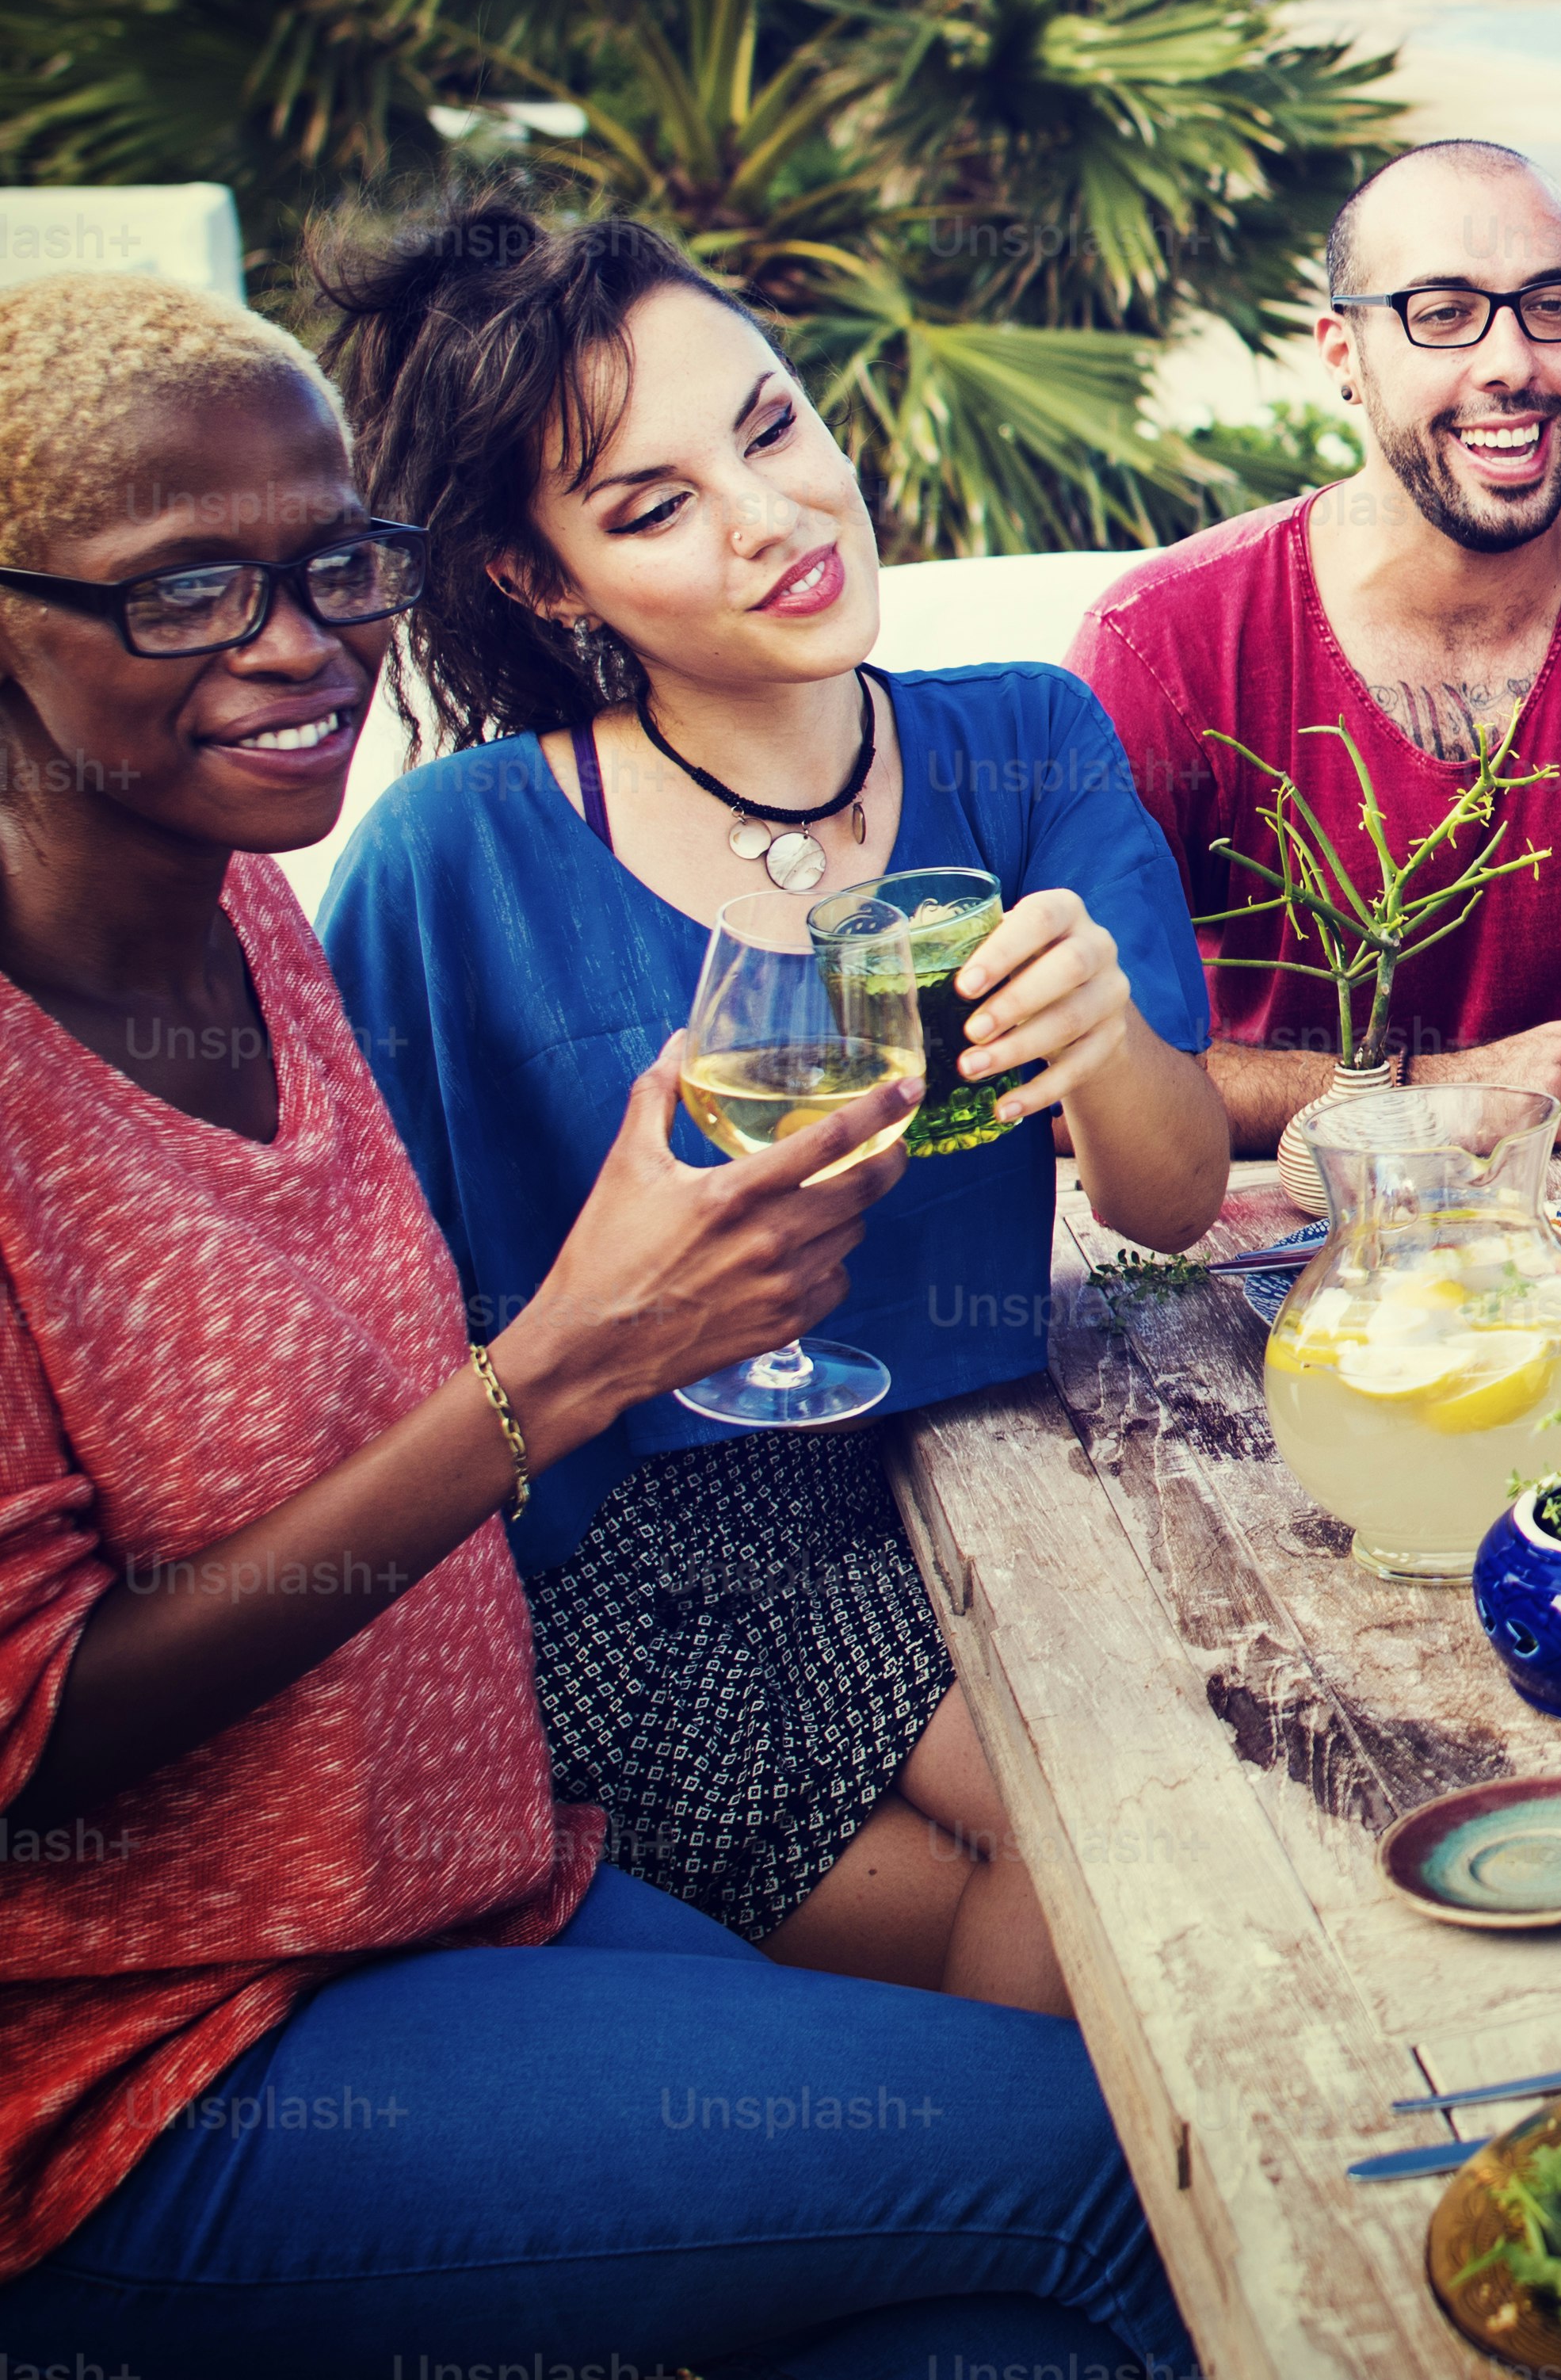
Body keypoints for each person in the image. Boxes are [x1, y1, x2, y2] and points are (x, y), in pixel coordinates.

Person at [0, 272, 1188, 2377]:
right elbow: (50, 1715)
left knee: (1033, 2252)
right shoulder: (412, 868)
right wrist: (583, 1353)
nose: (299, 646)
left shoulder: (243, 907)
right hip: (180, 2034)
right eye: (185, 588)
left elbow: (1164, 1177)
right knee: (1133, 2126)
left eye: (333, 565)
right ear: (539, 576)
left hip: (483, 1856)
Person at [310, 191, 1227, 2006]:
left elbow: (1171, 1196)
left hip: (983, 1474)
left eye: (771, 425)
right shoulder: (453, 856)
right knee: (1115, 1865)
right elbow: (352, 1345)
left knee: (1162, 1824)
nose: (773, 515)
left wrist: (1105, 1035)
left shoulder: (1025, 734)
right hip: (640, 1557)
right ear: (540, 579)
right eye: (652, 505)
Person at [1073, 137, 1561, 1149]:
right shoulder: (1164, 641)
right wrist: (1427, 1093)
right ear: (1344, 355)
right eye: (1444, 312)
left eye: (1548, 304)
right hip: (1292, 1222)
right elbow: (1059, 1072)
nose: (1512, 362)